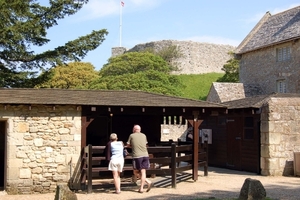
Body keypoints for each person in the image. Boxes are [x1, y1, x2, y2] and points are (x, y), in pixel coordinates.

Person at [126, 125, 153, 193]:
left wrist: (133, 146)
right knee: (143, 172)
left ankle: (146, 183)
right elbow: (146, 144)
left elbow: (128, 144)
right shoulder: (144, 135)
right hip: (145, 155)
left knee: (135, 171)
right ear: (140, 130)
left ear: (134, 129)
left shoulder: (131, 135)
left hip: (137, 156)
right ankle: (143, 186)